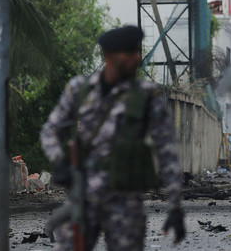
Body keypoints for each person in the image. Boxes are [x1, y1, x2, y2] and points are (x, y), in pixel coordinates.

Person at [40, 25, 185, 250]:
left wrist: (175, 205)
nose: (137, 57)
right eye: (130, 52)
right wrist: (60, 162)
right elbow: (50, 130)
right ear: (109, 56)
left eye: (138, 51)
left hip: (125, 203)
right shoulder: (80, 89)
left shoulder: (147, 95)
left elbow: (166, 150)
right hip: (84, 197)